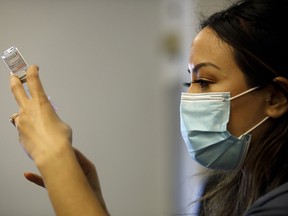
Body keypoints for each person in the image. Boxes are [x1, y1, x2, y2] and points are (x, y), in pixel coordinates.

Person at [8, 0, 288, 215]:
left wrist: (55, 156)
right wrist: (90, 199)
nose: (189, 98)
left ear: (275, 98)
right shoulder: (223, 193)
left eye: (203, 81)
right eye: (187, 83)